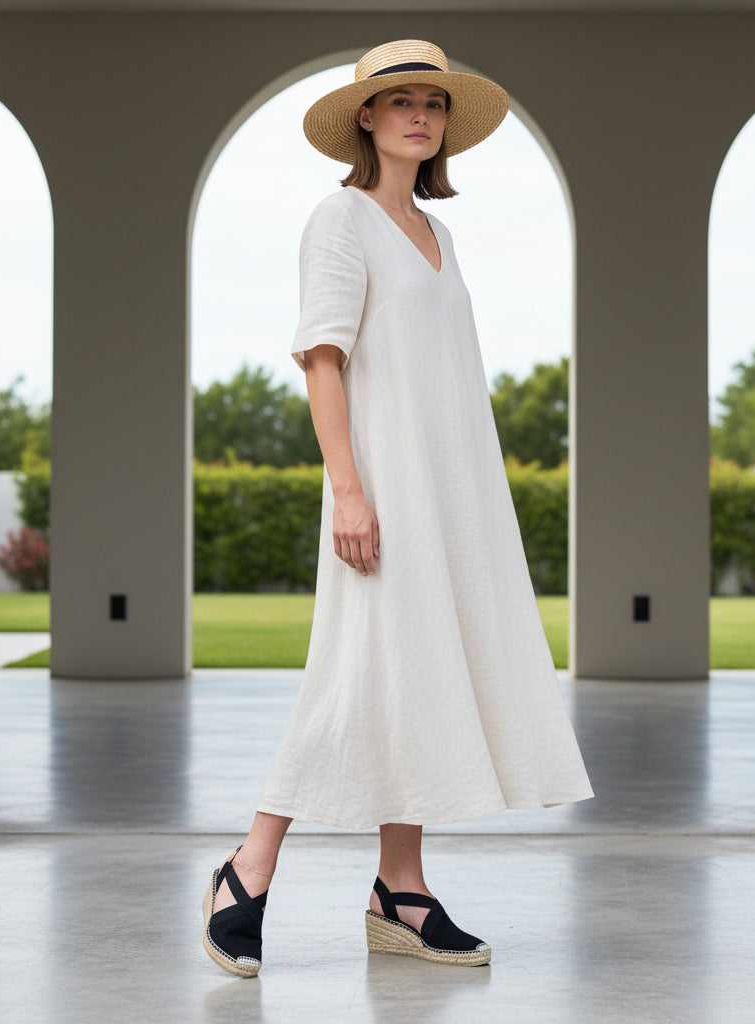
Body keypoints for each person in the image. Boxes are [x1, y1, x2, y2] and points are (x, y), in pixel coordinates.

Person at [202, 39, 593, 978]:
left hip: (449, 494)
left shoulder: (437, 234)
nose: (421, 114)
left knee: (417, 680)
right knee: (348, 679)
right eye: (401, 100)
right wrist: (348, 489)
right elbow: (322, 358)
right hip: (381, 492)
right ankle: (248, 867)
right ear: (367, 119)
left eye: (435, 102)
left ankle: (400, 892)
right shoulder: (340, 219)